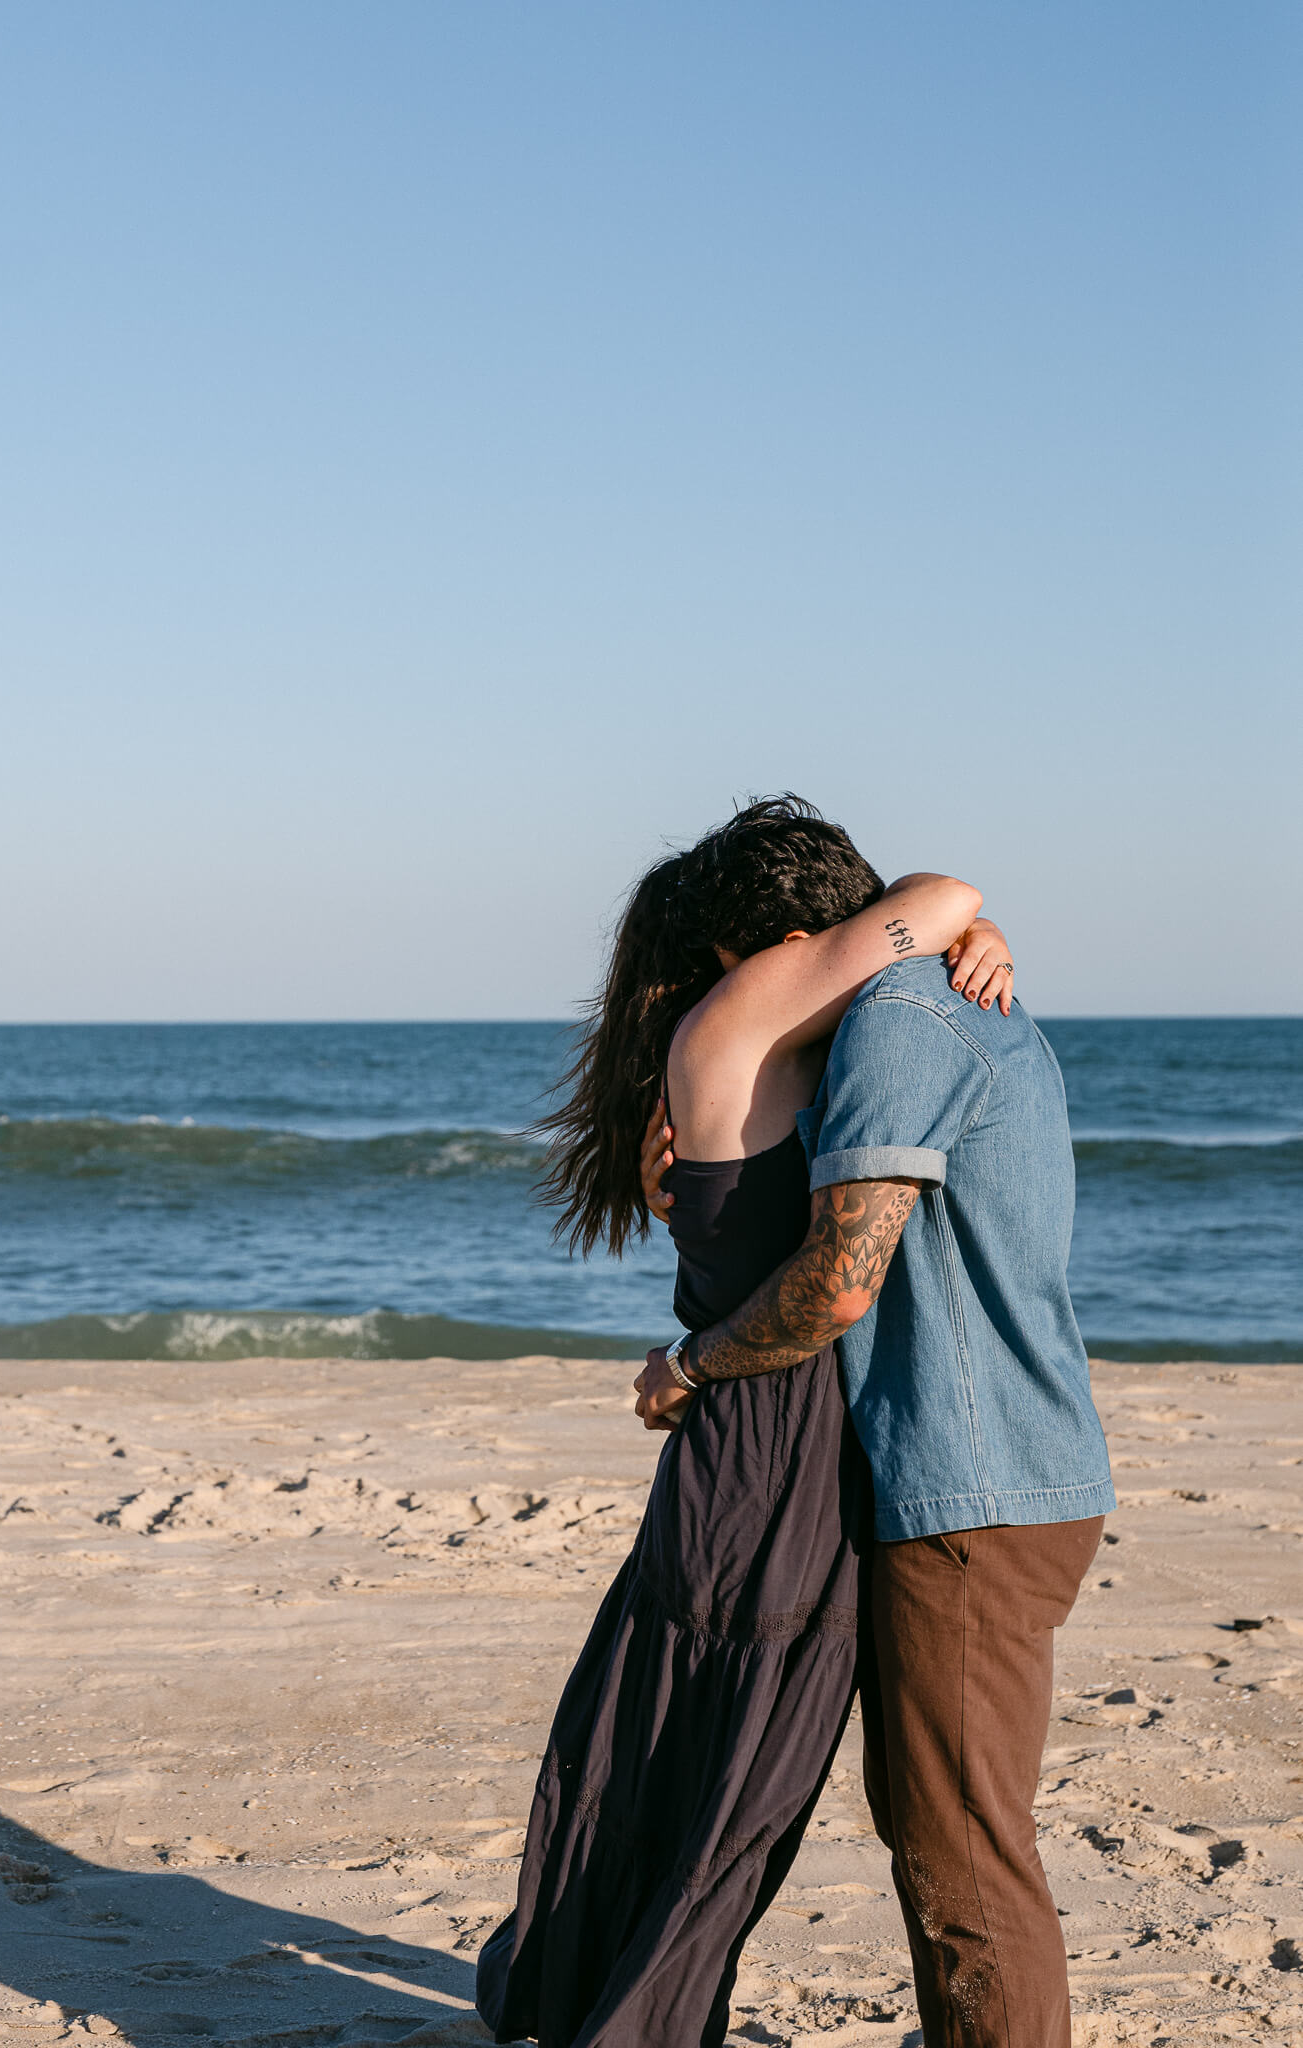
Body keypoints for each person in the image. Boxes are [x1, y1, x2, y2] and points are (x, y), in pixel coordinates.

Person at [476, 796, 1015, 2048]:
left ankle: (603, 2002)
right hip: (776, 1439)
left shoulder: (731, 1027)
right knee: (729, 1770)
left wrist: (973, 937)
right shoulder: (754, 1004)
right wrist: (973, 929)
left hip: (749, 1436)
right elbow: (943, 892)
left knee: (687, 1749)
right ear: (782, 941)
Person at [634, 827, 1115, 2048]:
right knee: (934, 1821)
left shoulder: (899, 1021)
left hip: (972, 1485)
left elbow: (839, 1282)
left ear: (800, 947)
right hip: (1003, 1470)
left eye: (744, 972)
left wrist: (691, 1362)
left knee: (966, 1855)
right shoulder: (939, 998)